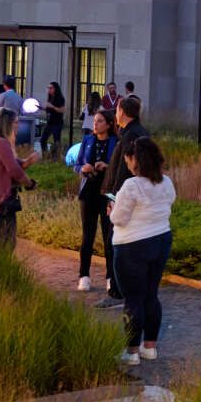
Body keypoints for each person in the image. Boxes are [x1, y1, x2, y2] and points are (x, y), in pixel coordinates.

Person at [108, 136, 175, 365]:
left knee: (133, 299)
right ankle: (150, 347)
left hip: (131, 246)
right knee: (151, 295)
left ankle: (132, 351)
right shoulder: (166, 182)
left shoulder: (131, 185)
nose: (126, 162)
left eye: (128, 158)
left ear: (135, 159)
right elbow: (168, 205)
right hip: (161, 240)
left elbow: (119, 218)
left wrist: (112, 209)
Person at [95, 96, 150, 309]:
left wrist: (115, 198)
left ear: (122, 112)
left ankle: (118, 292)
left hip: (123, 198)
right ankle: (125, 290)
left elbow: (125, 170)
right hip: (128, 196)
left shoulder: (131, 135)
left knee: (116, 244)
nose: (115, 113)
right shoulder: (136, 132)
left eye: (117, 109)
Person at [0, 105, 35, 250]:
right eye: (16, 122)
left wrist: (27, 161)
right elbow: (14, 170)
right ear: (7, 124)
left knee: (0, 243)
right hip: (0, 200)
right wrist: (29, 183)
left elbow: (13, 164)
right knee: (5, 244)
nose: (18, 125)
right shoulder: (1, 143)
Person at [76, 108, 119, 292]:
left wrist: (107, 167)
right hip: (89, 192)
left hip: (107, 193)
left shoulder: (116, 143)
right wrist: (83, 168)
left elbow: (120, 168)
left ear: (109, 124)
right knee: (88, 235)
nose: (95, 123)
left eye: (100, 121)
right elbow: (77, 164)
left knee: (108, 236)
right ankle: (84, 275)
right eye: (95, 120)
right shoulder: (87, 140)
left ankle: (110, 276)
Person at [41, 82, 66, 160]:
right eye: (48, 88)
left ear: (55, 89)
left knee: (56, 141)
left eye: (51, 88)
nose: (49, 89)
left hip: (57, 122)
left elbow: (62, 110)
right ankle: (45, 155)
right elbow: (49, 110)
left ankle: (55, 157)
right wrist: (42, 108)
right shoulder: (50, 98)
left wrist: (52, 107)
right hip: (50, 122)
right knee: (43, 139)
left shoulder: (60, 98)